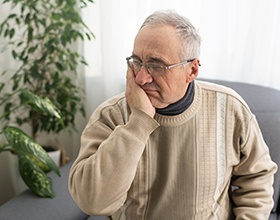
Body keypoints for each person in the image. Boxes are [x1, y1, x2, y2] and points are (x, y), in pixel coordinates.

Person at [68, 10, 277, 219]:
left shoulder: (231, 109)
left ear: (192, 70)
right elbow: (92, 202)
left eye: (156, 66)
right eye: (136, 61)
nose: (141, 78)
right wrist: (138, 123)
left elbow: (257, 179)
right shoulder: (110, 116)